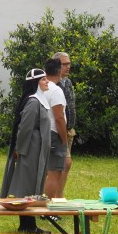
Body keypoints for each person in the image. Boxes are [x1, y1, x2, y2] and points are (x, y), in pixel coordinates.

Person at [0, 68, 51, 234]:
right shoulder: (34, 101)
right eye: (43, 80)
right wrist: (20, 150)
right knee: (27, 186)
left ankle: (29, 224)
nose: (47, 82)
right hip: (30, 148)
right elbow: (25, 128)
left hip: (36, 147)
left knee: (32, 185)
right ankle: (27, 225)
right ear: (36, 83)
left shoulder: (39, 99)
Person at [41, 57, 68, 200]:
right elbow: (59, 117)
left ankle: (41, 205)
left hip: (42, 132)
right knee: (54, 172)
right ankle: (47, 209)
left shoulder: (41, 88)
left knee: (45, 172)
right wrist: (64, 139)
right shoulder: (56, 90)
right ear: (59, 71)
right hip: (54, 134)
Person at [53, 52, 76, 198]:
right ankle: (52, 198)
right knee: (61, 165)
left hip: (68, 129)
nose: (68, 66)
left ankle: (59, 197)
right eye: (64, 64)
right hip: (57, 130)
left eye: (69, 63)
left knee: (65, 166)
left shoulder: (67, 82)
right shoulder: (52, 83)